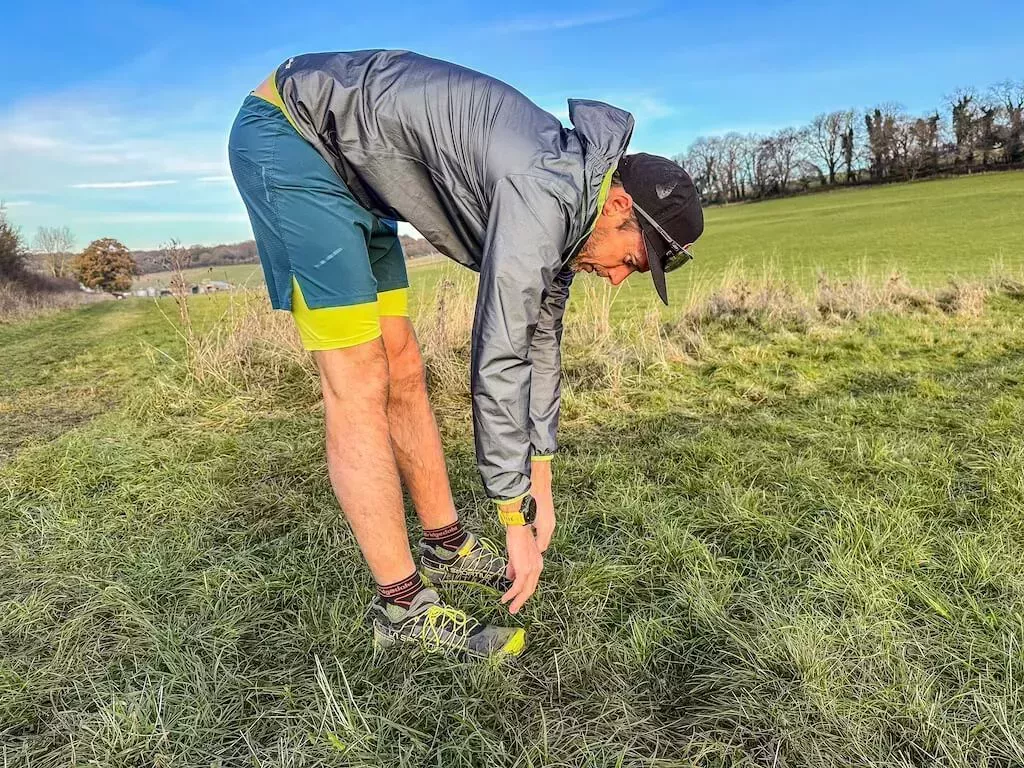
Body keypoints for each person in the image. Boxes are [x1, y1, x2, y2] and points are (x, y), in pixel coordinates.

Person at [228, 50, 703, 659]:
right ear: (617, 207)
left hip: (357, 176)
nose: (616, 280)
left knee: (402, 363)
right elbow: (499, 353)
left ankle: (445, 545)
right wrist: (511, 517)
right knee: (359, 375)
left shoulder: (574, 206)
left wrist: (542, 483)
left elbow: (539, 345)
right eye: (632, 262)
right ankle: (400, 607)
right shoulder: (544, 193)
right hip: (293, 138)